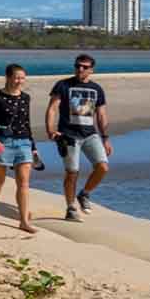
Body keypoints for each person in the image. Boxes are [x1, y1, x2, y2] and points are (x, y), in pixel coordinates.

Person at [46, 53, 111, 222]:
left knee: (103, 167)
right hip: (68, 135)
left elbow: (101, 114)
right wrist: (50, 129)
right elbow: (53, 107)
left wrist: (105, 138)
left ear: (91, 70)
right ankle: (70, 207)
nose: (80, 69)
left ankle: (85, 194)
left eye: (84, 67)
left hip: (90, 134)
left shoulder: (97, 89)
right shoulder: (63, 85)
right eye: (77, 66)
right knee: (72, 172)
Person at [0, 64, 38, 233]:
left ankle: (23, 221)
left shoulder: (26, 97)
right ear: (7, 77)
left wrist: (33, 147)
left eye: (22, 78)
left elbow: (27, 123)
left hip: (23, 143)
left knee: (23, 182)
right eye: (16, 77)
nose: (19, 81)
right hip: (3, 142)